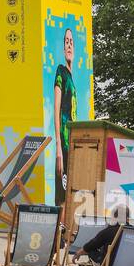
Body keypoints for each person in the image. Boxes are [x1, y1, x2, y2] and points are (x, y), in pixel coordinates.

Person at [52, 28, 77, 204]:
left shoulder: (71, 76)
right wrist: (59, 147)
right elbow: (57, 108)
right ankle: (59, 228)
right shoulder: (60, 72)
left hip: (73, 140)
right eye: (66, 42)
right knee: (62, 188)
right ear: (63, 49)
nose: (69, 45)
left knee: (71, 189)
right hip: (64, 140)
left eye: (71, 42)